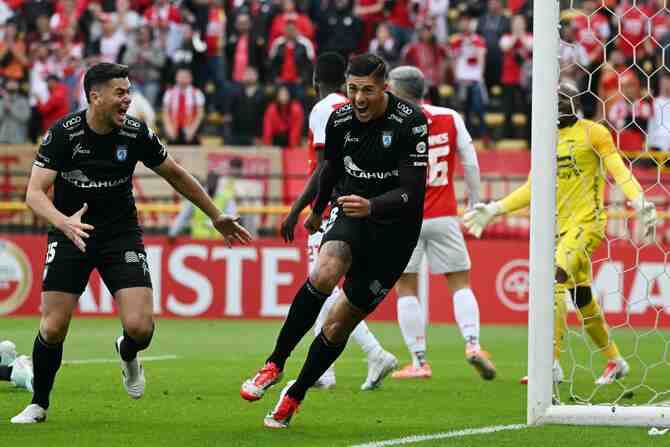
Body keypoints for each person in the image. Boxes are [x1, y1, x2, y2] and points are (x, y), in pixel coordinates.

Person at [11, 62, 252, 424]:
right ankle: (39, 404)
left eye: (129, 91)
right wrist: (63, 222)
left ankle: (126, 352)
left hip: (120, 233)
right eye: (120, 92)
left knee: (140, 328)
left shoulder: (136, 133)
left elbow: (175, 173)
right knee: (53, 326)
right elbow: (33, 193)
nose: (128, 99)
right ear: (95, 96)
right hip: (70, 232)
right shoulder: (64, 134)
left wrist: (215, 214)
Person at [241, 54, 429, 428]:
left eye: (368, 91)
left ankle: (295, 395)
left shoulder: (411, 122)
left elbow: (413, 191)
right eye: (352, 89)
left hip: (395, 231)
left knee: (339, 324)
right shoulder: (339, 119)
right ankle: (274, 363)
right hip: (350, 212)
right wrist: (315, 209)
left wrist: (373, 204)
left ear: (385, 89)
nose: (358, 99)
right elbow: (330, 168)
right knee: (324, 273)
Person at [463, 82, 658, 386]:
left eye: (565, 101)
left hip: (588, 224)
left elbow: (618, 170)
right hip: (559, 229)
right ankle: (615, 360)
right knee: (581, 297)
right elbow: (532, 187)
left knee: (554, 278)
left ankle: (550, 364)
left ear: (577, 103)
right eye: (555, 102)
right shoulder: (546, 138)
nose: (559, 106)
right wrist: (495, 209)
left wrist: (639, 198)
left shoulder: (593, 132)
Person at [279, 52, 397, 391]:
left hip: (333, 207)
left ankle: (371, 354)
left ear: (315, 81)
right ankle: (330, 370)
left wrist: (301, 210)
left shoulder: (323, 110)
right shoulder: (352, 107)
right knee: (324, 286)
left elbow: (323, 167)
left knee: (320, 285)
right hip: (354, 204)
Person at [386, 66, 496, 382]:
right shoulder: (449, 116)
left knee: (405, 287)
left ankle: (419, 361)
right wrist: (474, 204)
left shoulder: (390, 123)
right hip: (444, 215)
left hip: (403, 217)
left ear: (396, 90)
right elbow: (471, 161)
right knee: (459, 281)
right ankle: (473, 345)